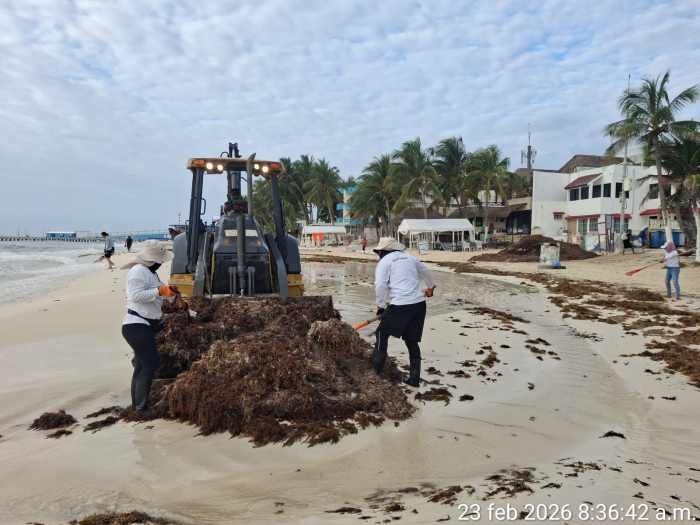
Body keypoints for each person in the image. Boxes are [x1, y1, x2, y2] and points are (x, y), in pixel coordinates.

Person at [122, 240, 177, 416]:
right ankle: (141, 408)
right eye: (160, 260)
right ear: (153, 260)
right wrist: (159, 292)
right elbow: (136, 296)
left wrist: (169, 294)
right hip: (136, 325)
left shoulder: (151, 274)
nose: (161, 263)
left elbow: (160, 296)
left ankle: (137, 404)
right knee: (149, 363)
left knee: (141, 365)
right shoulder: (138, 271)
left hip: (143, 325)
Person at [372, 237, 436, 387]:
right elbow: (426, 271)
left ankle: (375, 372)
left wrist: (381, 306)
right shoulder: (410, 258)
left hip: (401, 304)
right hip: (419, 304)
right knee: (411, 340)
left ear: (383, 252)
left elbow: (380, 285)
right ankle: (414, 379)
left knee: (381, 333)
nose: (378, 255)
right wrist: (431, 288)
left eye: (379, 253)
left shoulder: (384, 262)